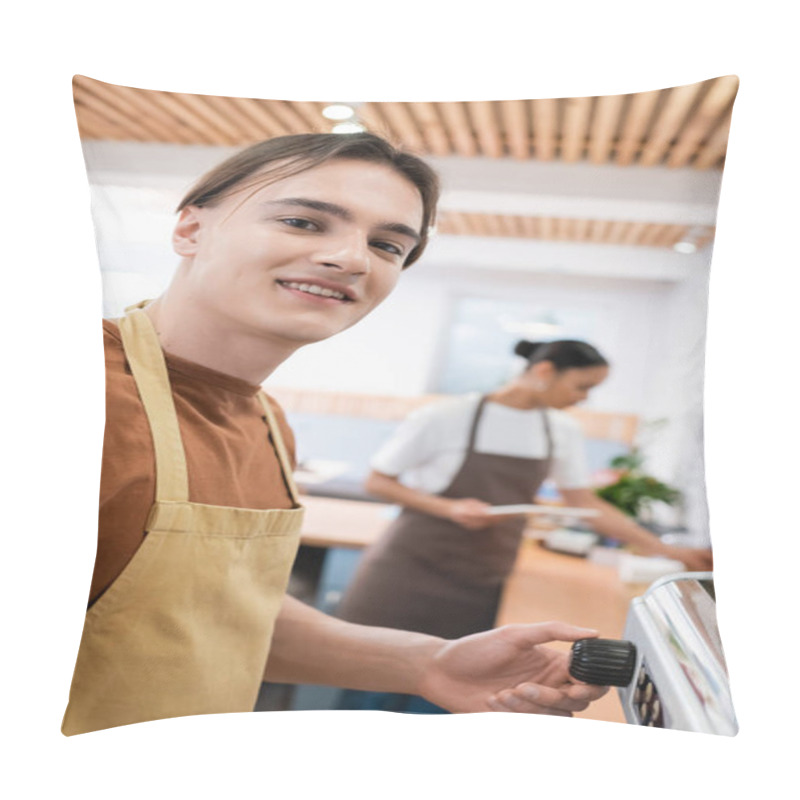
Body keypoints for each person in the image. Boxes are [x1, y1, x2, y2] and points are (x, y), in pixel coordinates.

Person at [61, 133, 608, 736]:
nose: (352, 258)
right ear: (191, 230)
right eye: (302, 221)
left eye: (387, 245)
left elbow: (211, 615)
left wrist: (432, 663)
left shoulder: (266, 421)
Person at [334, 339, 713, 711]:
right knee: (374, 690)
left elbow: (584, 503)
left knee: (451, 693)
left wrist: (668, 551)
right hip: (405, 575)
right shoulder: (447, 416)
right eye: (582, 386)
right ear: (545, 371)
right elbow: (377, 481)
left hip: (481, 580)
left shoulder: (560, 430)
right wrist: (449, 508)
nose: (584, 399)